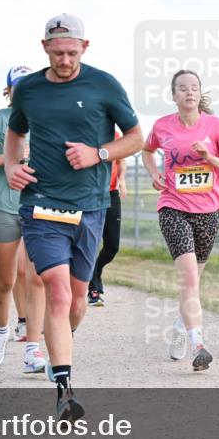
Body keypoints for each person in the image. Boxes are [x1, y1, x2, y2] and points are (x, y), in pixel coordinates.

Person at [4, 13, 143, 421]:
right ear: (44, 47)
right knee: (58, 291)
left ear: (85, 47)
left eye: (71, 52)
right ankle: (64, 390)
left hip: (91, 204)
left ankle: (58, 341)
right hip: (41, 202)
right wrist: (13, 167)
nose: (64, 60)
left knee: (77, 299)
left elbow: (137, 139)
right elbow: (15, 132)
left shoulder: (103, 84)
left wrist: (98, 153)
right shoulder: (28, 89)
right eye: (57, 52)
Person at [143, 69, 219, 372]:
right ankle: (199, 345)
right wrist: (154, 173)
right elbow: (147, 151)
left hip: (208, 211)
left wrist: (209, 157)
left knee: (193, 282)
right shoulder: (162, 126)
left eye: (194, 88)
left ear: (200, 94)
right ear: (174, 95)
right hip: (173, 207)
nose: (189, 92)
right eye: (182, 88)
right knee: (188, 278)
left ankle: (180, 327)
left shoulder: (217, 126)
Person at [0, 65, 48, 372]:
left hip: (37, 207)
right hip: (3, 206)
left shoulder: (47, 120)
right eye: (19, 85)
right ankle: (2, 332)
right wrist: (10, 156)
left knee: (35, 277)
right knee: (5, 280)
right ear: (10, 91)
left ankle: (32, 348)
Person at [86, 132, 127, 307]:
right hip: (88, 194)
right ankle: (93, 288)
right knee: (90, 242)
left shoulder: (114, 134)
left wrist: (122, 178)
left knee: (112, 246)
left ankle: (95, 271)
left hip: (111, 193)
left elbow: (121, 159)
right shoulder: (84, 131)